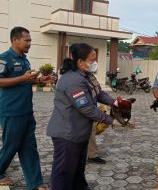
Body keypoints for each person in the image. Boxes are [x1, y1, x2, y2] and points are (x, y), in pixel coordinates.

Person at [0, 26, 54, 189]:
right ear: (15, 40)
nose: (30, 43)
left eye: (30, 40)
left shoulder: (24, 59)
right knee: (11, 145)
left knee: (29, 147)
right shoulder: (3, 59)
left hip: (25, 111)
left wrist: (39, 80)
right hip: (11, 111)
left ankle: (35, 183)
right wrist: (22, 77)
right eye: (27, 40)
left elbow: (25, 80)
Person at [47, 43, 114, 190]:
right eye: (92, 60)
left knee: (77, 169)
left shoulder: (87, 76)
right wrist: (110, 120)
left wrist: (114, 102)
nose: (95, 63)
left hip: (79, 132)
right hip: (67, 133)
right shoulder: (73, 80)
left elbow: (99, 93)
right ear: (80, 61)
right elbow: (86, 108)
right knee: (64, 172)